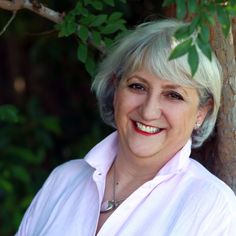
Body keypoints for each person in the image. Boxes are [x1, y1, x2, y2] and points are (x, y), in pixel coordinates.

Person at [16, 19, 236, 236]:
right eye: (137, 86)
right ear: (115, 89)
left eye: (173, 95)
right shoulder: (64, 180)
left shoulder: (214, 208)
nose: (149, 111)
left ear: (202, 111)